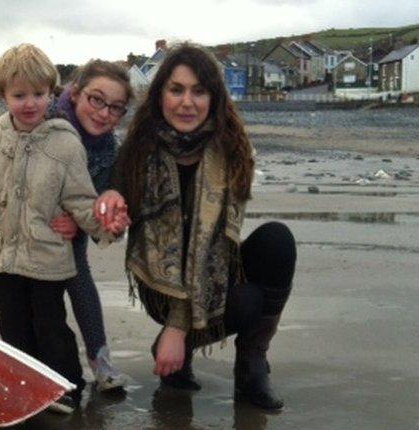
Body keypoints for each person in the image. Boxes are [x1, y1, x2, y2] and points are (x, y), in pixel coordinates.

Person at [95, 44, 296, 410]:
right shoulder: (138, 150)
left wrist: (178, 330)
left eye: (199, 91)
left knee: (276, 241)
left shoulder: (232, 150)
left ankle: (252, 365)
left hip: (212, 269)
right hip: (160, 283)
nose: (187, 102)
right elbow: (110, 219)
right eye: (176, 90)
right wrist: (110, 206)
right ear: (160, 96)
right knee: (247, 300)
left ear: (214, 98)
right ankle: (178, 346)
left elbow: (214, 247)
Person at [0, 44, 129, 413]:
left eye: (38, 94)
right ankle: (25, 387)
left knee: (50, 326)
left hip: (47, 255)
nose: (29, 103)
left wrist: (107, 224)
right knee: (13, 328)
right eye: (19, 95)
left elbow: (83, 198)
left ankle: (67, 386)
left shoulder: (66, 143)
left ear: (52, 93)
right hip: (2, 257)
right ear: (3, 94)